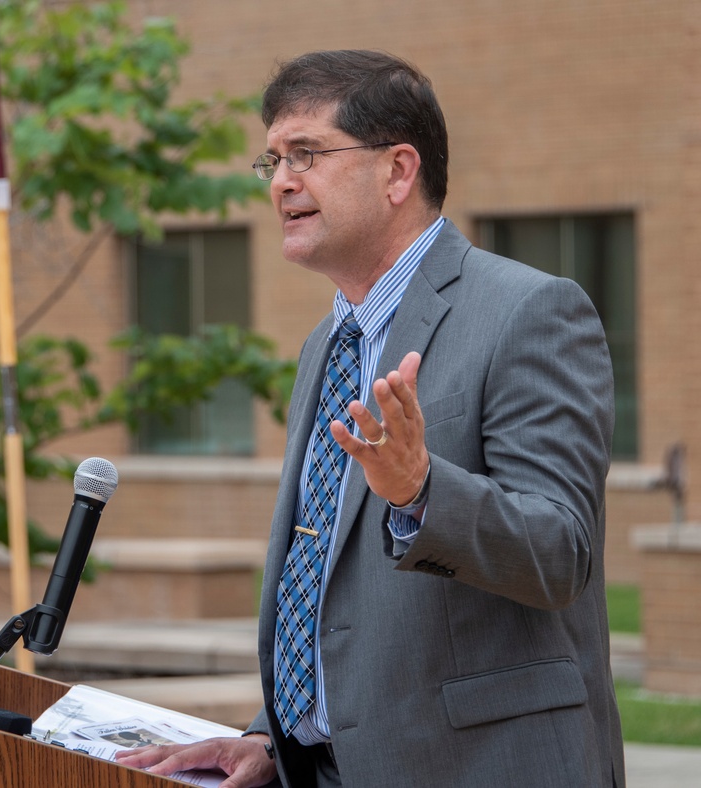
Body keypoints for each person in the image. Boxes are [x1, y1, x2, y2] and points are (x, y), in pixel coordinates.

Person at [115, 49, 623, 787]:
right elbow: (327, 579)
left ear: (398, 171)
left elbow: (561, 555)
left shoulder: (529, 312)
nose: (282, 181)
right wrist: (271, 735)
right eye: (272, 162)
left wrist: (421, 490)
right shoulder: (326, 345)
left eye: (308, 154)